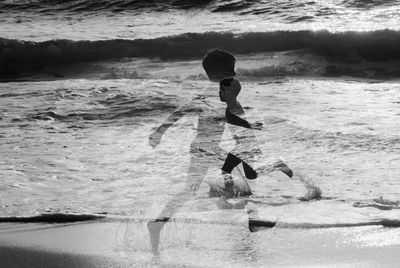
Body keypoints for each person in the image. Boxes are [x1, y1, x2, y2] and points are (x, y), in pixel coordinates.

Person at [147, 49, 292, 255]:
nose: (234, 72)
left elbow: (190, 112)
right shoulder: (215, 93)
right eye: (231, 69)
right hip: (207, 149)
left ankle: (158, 224)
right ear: (220, 71)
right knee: (246, 180)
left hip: (203, 148)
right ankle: (254, 220)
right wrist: (249, 126)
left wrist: (159, 132)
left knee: (190, 191)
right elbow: (224, 116)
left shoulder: (217, 91)